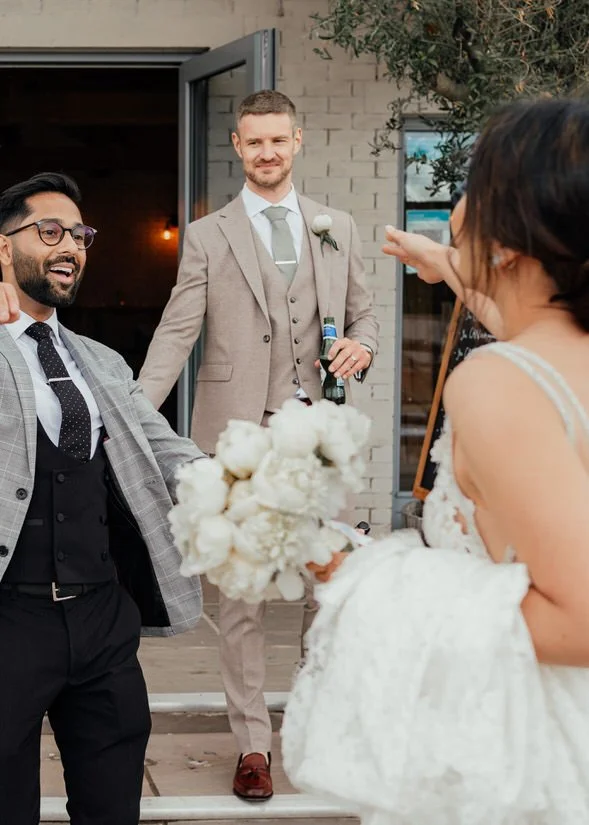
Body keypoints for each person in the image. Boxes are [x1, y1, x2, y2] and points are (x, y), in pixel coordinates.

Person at [283, 98, 589, 824]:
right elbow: (520, 311)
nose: (455, 205)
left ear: (509, 237)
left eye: (472, 187)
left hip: (525, 751)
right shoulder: (560, 355)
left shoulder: (497, 379)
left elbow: (580, 620)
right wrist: (449, 265)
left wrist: (369, 579)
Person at [139, 89, 379, 800]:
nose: (267, 152)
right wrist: (127, 413)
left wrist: (361, 346)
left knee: (328, 589)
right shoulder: (209, 235)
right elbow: (177, 331)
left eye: (278, 140)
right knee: (241, 597)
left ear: (296, 141)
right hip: (238, 438)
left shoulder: (337, 227)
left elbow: (363, 314)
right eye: (254, 142)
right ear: (238, 148)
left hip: (322, 440)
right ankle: (252, 745)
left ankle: (311, 725)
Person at [0, 172, 204, 825]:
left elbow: (165, 449)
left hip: (101, 619)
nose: (72, 246)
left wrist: (246, 485)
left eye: (80, 235)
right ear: (3, 247)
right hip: (10, 618)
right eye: (50, 231)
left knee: (114, 806)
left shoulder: (101, 360)